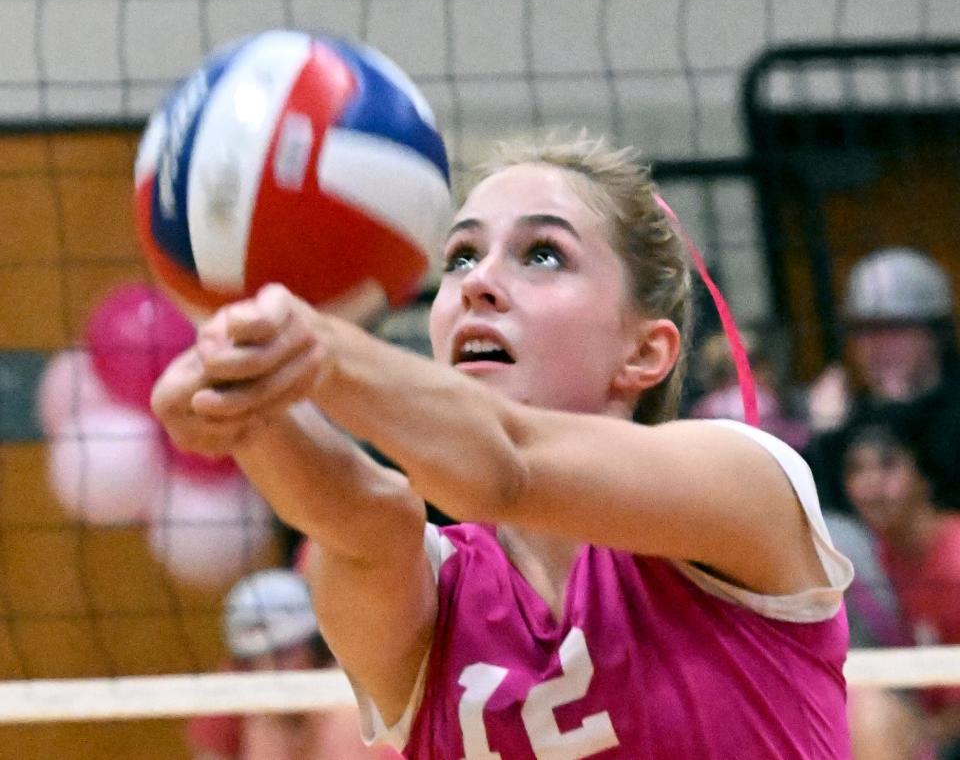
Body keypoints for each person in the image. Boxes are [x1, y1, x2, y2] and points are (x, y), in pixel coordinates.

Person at [153, 133, 854, 758]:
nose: (479, 282)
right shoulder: (436, 595)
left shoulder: (745, 485)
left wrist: (319, 344)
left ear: (644, 351)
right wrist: (237, 392)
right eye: (460, 257)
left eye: (542, 254)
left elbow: (504, 466)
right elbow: (364, 516)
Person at [805, 248, 960, 513]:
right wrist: (826, 438)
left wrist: (900, 414)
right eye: (864, 330)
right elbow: (835, 523)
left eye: (895, 328)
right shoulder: (852, 418)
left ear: (934, 334)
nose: (878, 345)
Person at [842, 421, 960, 760]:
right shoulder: (873, 559)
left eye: (888, 465)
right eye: (856, 470)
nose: (870, 485)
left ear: (924, 477)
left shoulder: (953, 558)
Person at [186, 568, 390, 760]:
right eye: (251, 659)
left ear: (316, 648)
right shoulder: (247, 701)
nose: (268, 670)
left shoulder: (354, 710)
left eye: (284, 654)